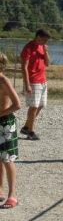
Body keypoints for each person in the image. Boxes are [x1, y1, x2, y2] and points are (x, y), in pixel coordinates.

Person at [20, 29, 51, 140]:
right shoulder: (28, 48)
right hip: (33, 81)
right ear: (38, 36)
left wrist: (46, 51)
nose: (45, 42)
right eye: (44, 40)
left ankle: (26, 127)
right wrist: (26, 84)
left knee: (41, 105)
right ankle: (31, 131)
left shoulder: (42, 47)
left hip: (43, 81)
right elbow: (23, 67)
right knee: (33, 107)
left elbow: (47, 63)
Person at [0, 52, 22, 209]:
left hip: (5, 123)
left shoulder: (3, 80)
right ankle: (0, 190)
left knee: (7, 159)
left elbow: (17, 104)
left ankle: (12, 195)